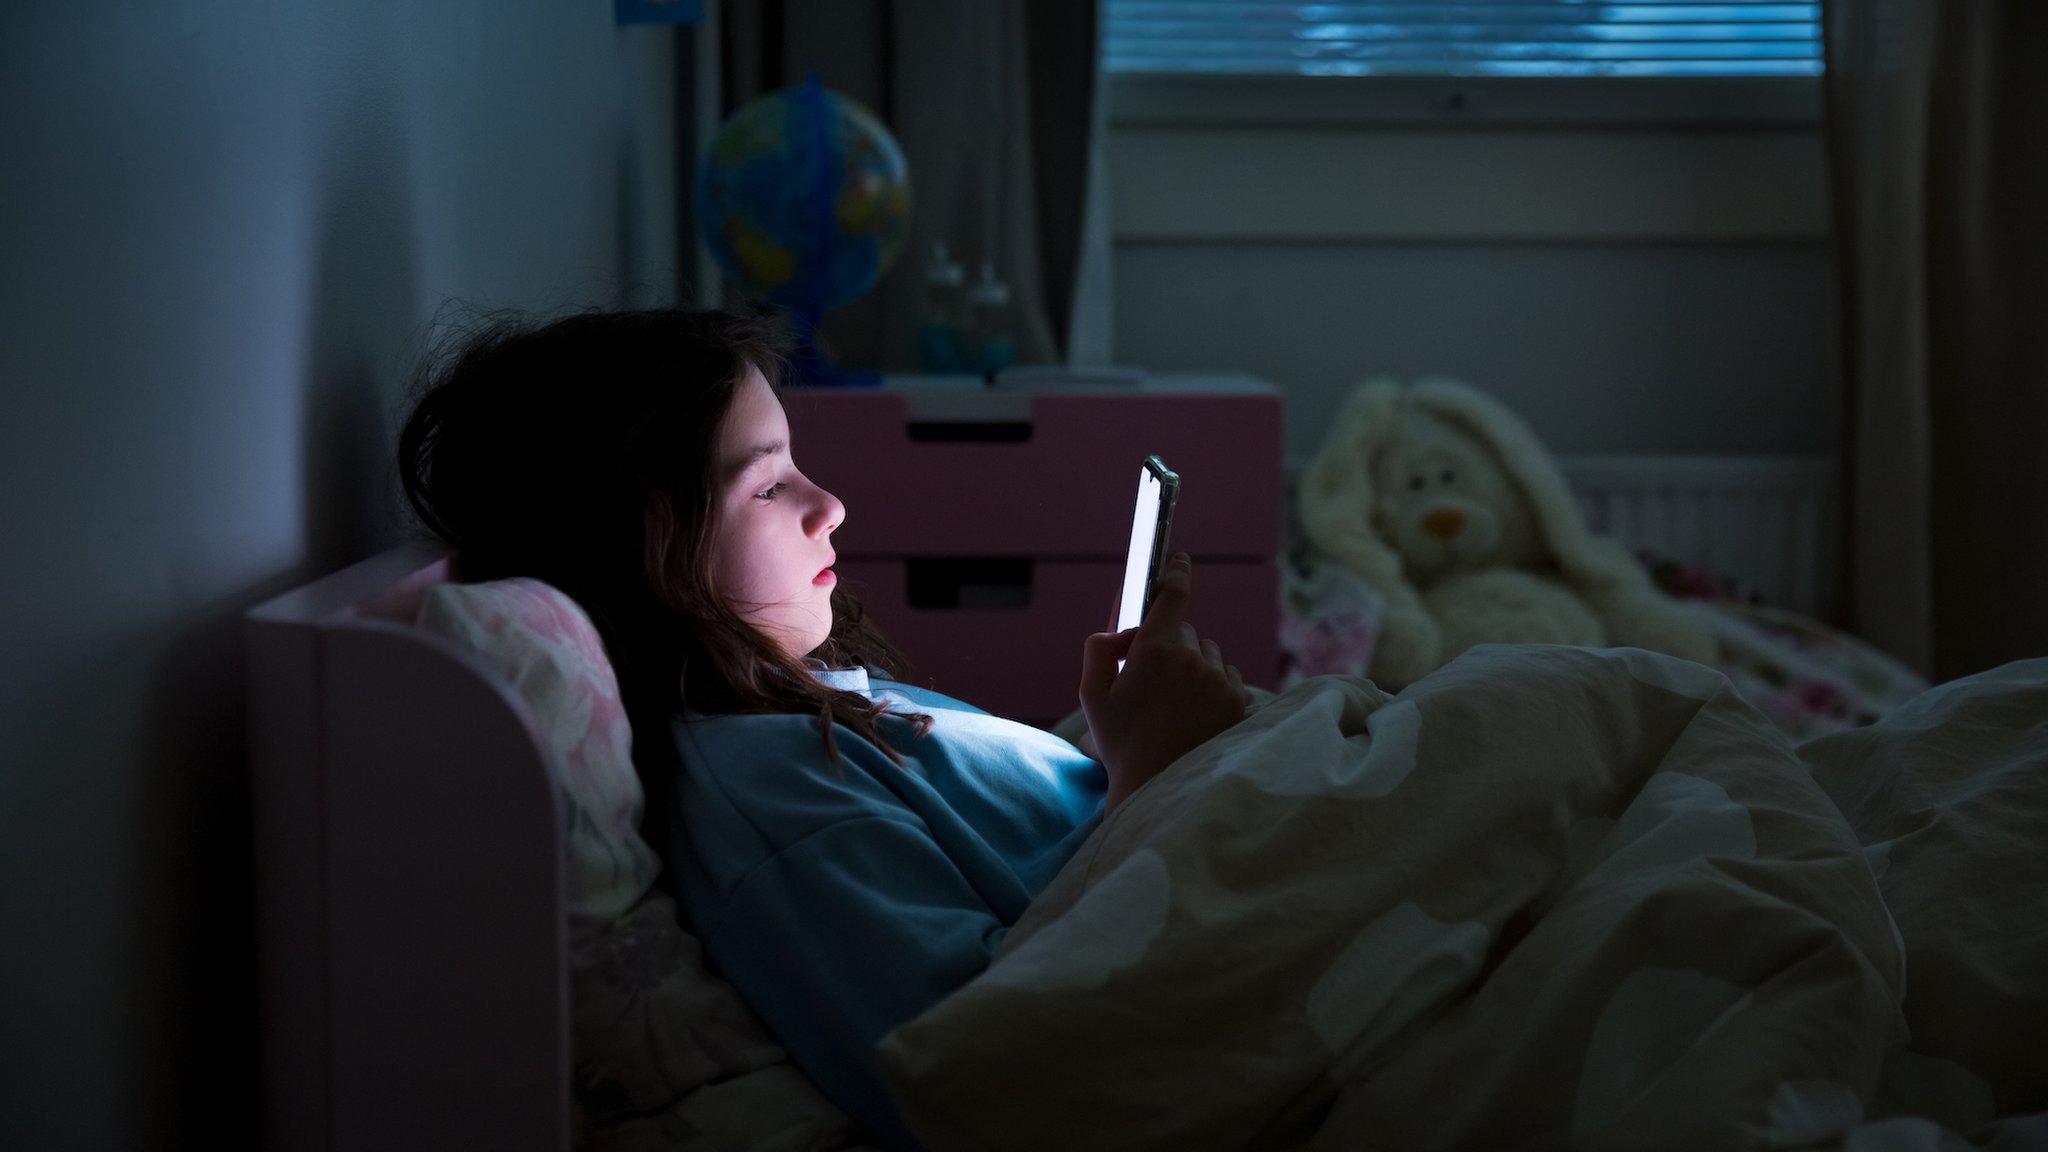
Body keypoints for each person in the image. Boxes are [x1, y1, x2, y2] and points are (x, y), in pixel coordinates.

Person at [397, 306, 1251, 1150]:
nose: (831, 505)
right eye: (769, 485)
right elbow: (998, 1066)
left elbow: (1025, 846)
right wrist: (1156, 779)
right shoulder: (774, 791)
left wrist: (1119, 732)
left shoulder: (798, 705)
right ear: (643, 552)